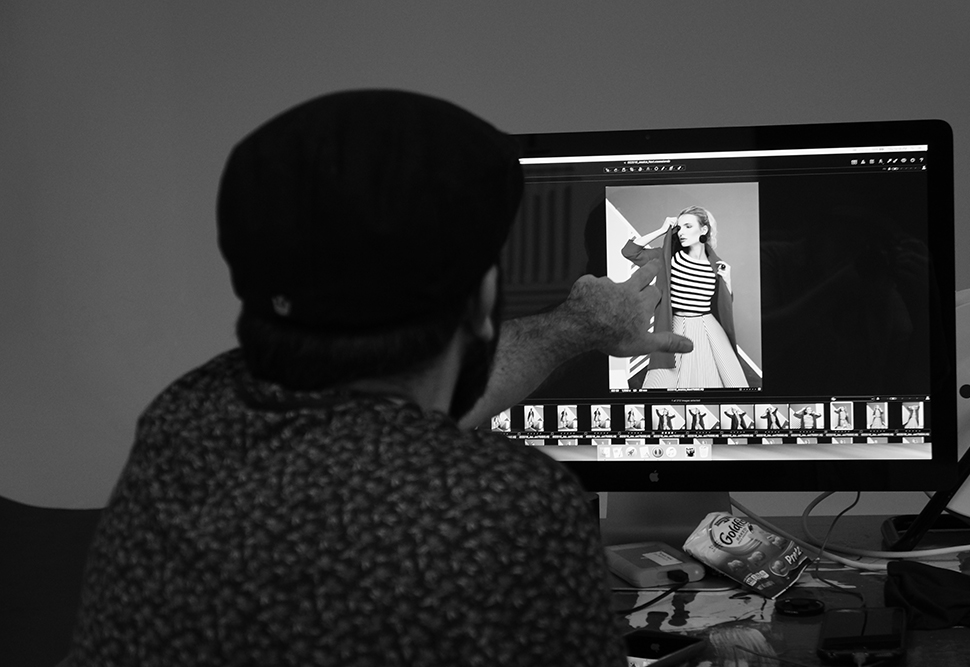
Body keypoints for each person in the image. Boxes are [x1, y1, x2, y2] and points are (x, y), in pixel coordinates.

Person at [61, 90, 693, 667]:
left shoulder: (185, 417)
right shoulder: (510, 512)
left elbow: (381, 431)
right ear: (478, 299)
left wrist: (573, 327)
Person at [622, 205, 750, 390]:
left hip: (709, 328)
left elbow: (724, 306)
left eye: (688, 226)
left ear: (704, 230)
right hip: (676, 326)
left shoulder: (717, 266)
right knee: (666, 382)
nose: (681, 232)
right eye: (679, 227)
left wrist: (728, 281)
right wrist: (661, 230)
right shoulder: (669, 258)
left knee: (721, 383)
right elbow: (630, 252)